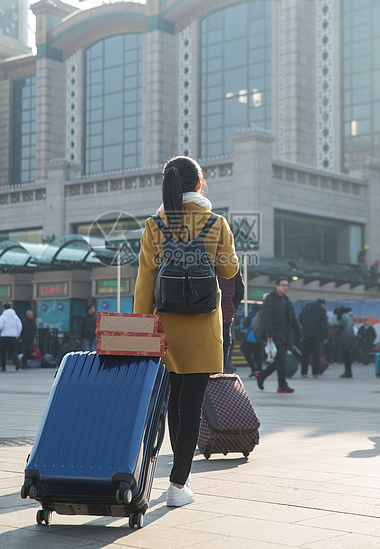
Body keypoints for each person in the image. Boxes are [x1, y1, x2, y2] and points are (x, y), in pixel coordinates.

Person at [133, 156, 239, 508]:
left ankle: (177, 479)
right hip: (203, 327)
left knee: (173, 401)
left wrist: (141, 327)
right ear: (198, 185)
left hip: (165, 327)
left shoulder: (155, 224)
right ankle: (178, 484)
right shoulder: (215, 222)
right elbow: (229, 268)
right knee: (191, 402)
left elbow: (145, 280)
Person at [255, 277, 303, 394]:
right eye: (283, 285)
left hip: (286, 335)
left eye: (287, 285)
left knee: (281, 359)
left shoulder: (286, 300)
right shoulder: (270, 300)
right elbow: (266, 318)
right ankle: (282, 385)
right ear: (276, 286)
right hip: (275, 334)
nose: (285, 287)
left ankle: (262, 375)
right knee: (281, 359)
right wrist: (269, 334)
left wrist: (300, 333)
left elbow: (293, 319)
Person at [217, 270, 244, 373]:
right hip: (225, 316)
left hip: (205, 315)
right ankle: (221, 375)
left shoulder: (202, 259)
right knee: (224, 345)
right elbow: (240, 290)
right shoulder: (232, 264)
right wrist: (232, 308)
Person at [299, 299, 328, 378]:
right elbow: (323, 325)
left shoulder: (306, 308)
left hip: (305, 335)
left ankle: (304, 372)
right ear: (322, 303)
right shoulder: (321, 311)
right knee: (316, 354)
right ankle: (315, 372)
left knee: (305, 354)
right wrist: (325, 337)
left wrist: (305, 326)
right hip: (316, 336)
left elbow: (300, 318)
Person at [0, 303, 22, 372]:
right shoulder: (15, 317)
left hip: (4, 336)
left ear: (3, 308)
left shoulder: (3, 317)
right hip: (13, 336)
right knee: (13, 351)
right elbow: (19, 326)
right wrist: (17, 334)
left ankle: (3, 367)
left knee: (3, 352)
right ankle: (16, 360)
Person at [242, 304, 264, 377]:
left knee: (247, 355)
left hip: (251, 339)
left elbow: (244, 325)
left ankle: (254, 369)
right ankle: (260, 371)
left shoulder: (251, 316)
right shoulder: (262, 316)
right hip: (260, 339)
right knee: (258, 356)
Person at [335, 306, 356, 378]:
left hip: (345, 337)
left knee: (345, 356)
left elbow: (341, 325)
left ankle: (347, 371)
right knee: (348, 356)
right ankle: (349, 371)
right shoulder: (350, 316)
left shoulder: (344, 316)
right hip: (350, 337)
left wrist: (337, 327)